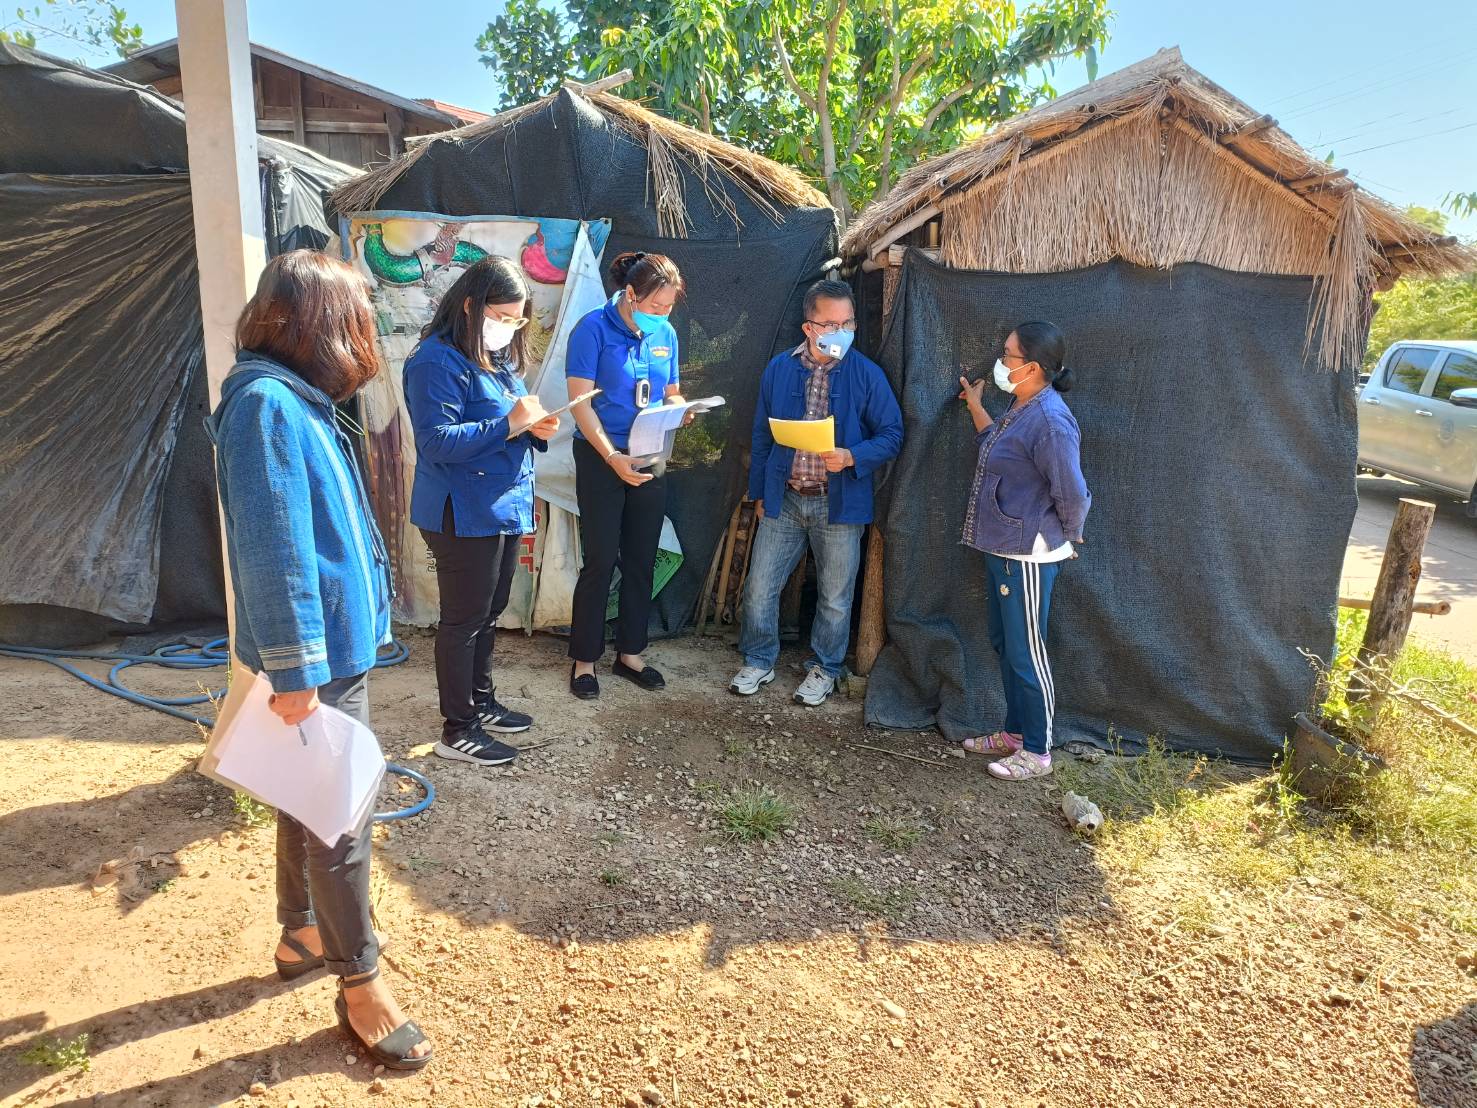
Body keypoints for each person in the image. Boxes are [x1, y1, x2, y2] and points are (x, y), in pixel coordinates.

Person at [205, 251, 431, 1070]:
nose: (366, 337)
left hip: (327, 652)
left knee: (305, 799)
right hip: (319, 659)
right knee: (340, 813)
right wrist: (298, 673)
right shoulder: (267, 405)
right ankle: (359, 979)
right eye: (359, 320)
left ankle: (302, 933)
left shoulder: (285, 401)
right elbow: (275, 551)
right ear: (321, 325)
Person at [403, 256, 559, 767]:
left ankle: (480, 701)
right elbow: (437, 442)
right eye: (503, 316)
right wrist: (511, 424)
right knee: (464, 620)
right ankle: (458, 729)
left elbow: (511, 420)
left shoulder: (498, 360)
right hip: (460, 512)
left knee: (488, 613)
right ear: (470, 306)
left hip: (501, 506)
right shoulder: (435, 361)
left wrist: (535, 429)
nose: (510, 328)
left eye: (518, 319)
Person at [731, 279, 904, 706]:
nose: (840, 331)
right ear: (809, 328)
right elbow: (761, 435)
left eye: (847, 323)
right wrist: (760, 494)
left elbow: (893, 434)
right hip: (785, 496)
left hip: (839, 501)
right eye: (830, 324)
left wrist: (851, 455)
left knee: (834, 596)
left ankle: (824, 668)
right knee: (759, 587)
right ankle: (758, 659)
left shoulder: (866, 373)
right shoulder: (779, 369)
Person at [957, 321, 1091, 781]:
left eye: (1008, 354)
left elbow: (1072, 492)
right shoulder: (1022, 406)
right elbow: (996, 451)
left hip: (1028, 553)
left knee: (1027, 651)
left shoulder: (1052, 421)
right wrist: (976, 406)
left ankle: (1037, 750)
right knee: (1005, 643)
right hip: (1002, 545)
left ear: (1031, 366)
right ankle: (1014, 735)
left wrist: (1069, 536)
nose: (1000, 360)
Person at [563, 251, 689, 699]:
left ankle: (631, 653)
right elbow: (580, 405)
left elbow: (670, 391)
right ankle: (584, 660)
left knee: (641, 555)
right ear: (630, 294)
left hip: (649, 454)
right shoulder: (591, 330)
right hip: (601, 457)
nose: (663, 315)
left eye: (669, 307)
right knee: (599, 559)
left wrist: (682, 409)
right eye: (656, 307)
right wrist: (612, 456)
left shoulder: (666, 334)